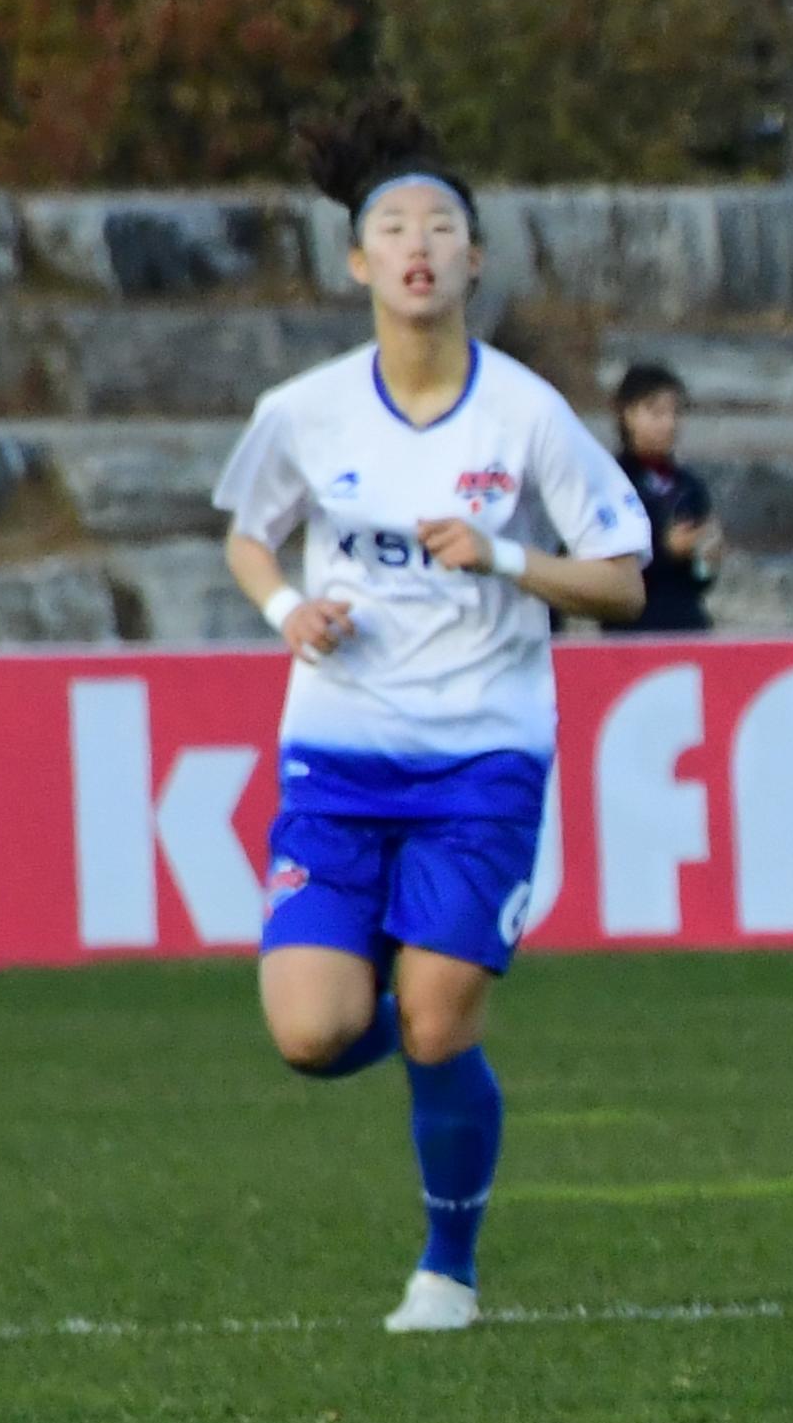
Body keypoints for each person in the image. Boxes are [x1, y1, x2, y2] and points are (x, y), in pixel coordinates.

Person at [218, 97, 652, 1332]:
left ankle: (446, 1271)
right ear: (357, 261)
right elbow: (250, 534)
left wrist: (509, 564)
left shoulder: (524, 414)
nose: (418, 244)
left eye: (441, 225)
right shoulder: (302, 412)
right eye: (393, 226)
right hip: (338, 758)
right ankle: (399, 1003)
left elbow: (623, 581)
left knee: (439, 1012)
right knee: (312, 1035)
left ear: (472, 260)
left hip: (481, 760)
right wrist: (288, 608)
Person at [606, 362, 717, 633]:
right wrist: (664, 550)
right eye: (656, 413)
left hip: (686, 625)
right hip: (631, 630)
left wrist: (707, 557)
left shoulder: (689, 485)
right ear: (628, 414)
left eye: (675, 413)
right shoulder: (612, 481)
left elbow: (700, 580)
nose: (668, 424)